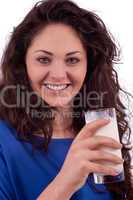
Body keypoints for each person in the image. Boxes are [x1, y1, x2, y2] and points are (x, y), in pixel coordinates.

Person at [0, 0, 132, 199]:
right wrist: (66, 181)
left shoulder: (100, 131)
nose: (59, 75)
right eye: (44, 59)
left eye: (72, 60)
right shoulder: (4, 140)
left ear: (89, 64)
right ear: (23, 62)